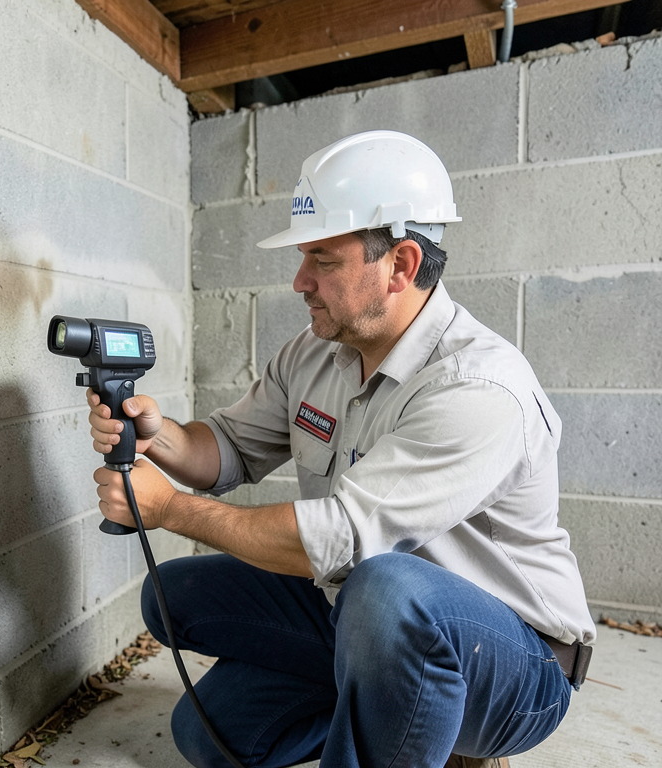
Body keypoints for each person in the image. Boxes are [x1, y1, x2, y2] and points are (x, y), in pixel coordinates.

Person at [88, 130, 595, 768]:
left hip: (511, 661)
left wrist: (169, 510)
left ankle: (441, 722)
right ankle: (388, 701)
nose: (300, 280)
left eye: (323, 260)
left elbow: (335, 540)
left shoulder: (479, 388)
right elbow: (228, 449)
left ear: (402, 266)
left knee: (387, 591)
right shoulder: (315, 351)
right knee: (190, 664)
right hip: (364, 619)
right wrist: (159, 437)